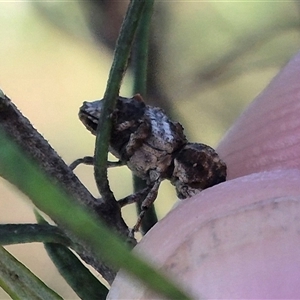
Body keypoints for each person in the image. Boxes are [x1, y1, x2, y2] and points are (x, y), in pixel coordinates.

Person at [108, 51, 300, 299]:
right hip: (118, 119)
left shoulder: (174, 148)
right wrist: (133, 228)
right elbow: (146, 200)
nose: (189, 193)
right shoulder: (168, 150)